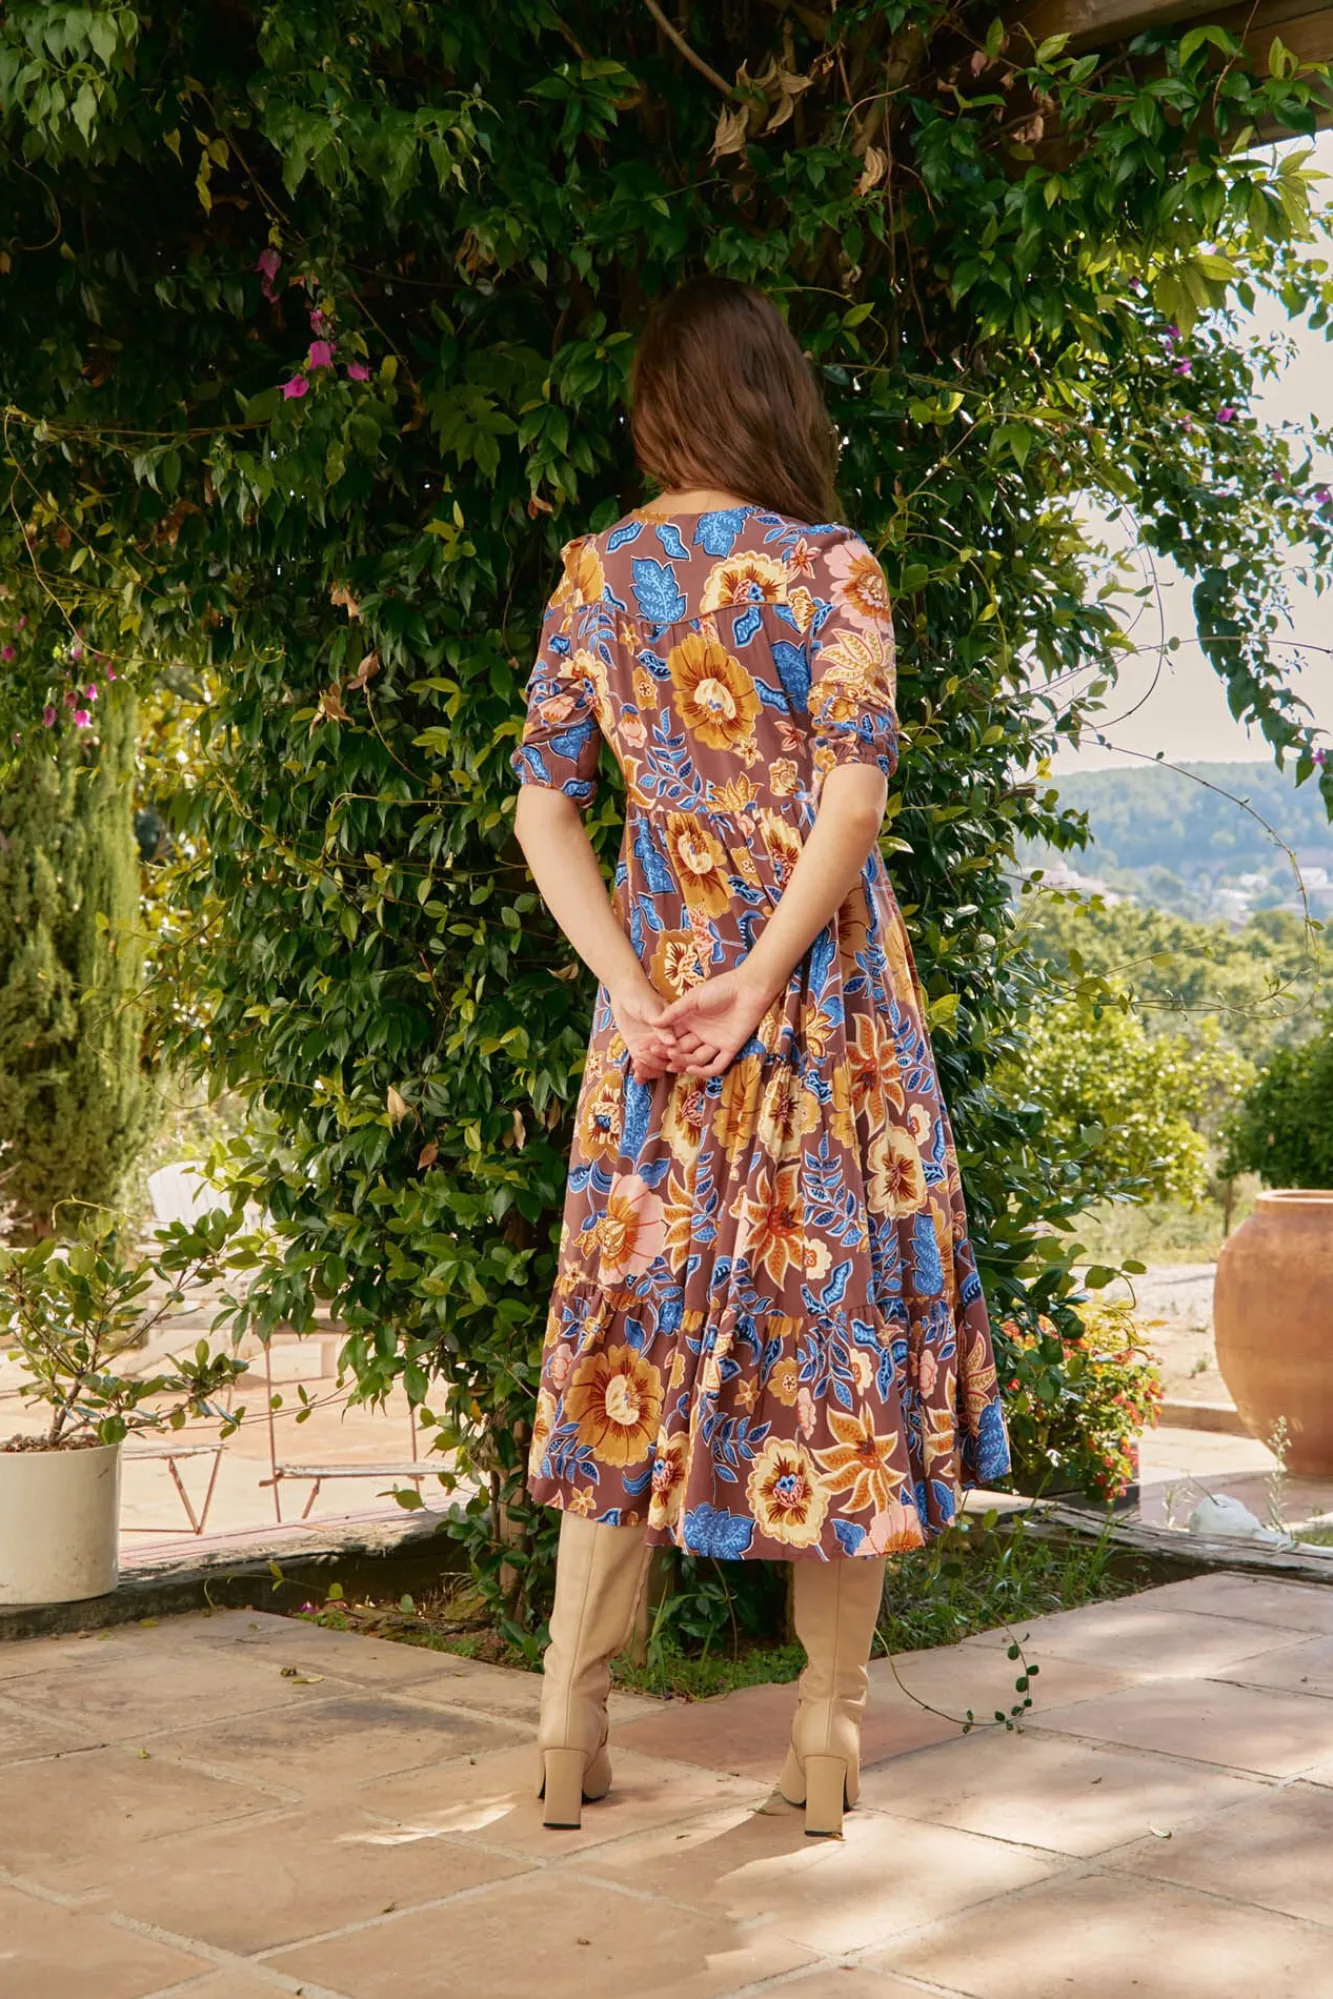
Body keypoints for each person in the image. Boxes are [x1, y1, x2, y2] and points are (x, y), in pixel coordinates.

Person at [511, 275, 1011, 1837]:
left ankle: (566, 1724)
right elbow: (853, 801)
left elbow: (543, 803)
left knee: (626, 1345)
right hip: (826, 1018)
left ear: (659, 407)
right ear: (773, 394)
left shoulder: (597, 575)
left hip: (658, 1028)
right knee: (833, 1356)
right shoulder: (831, 569)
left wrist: (637, 985)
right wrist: (763, 976)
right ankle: (827, 1735)